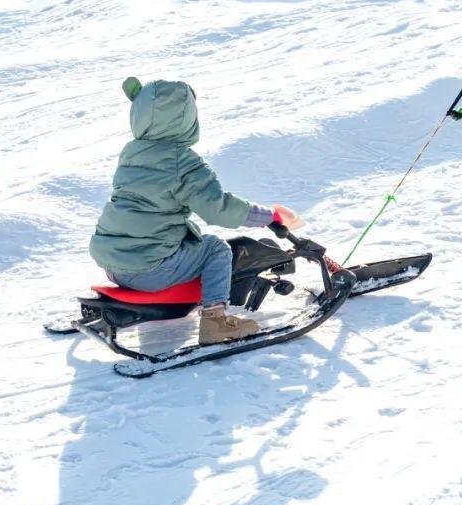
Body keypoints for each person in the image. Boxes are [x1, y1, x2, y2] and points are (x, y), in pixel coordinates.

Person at [89, 77, 303, 345]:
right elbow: (218, 209)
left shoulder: (132, 153)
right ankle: (215, 322)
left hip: (111, 262)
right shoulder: (182, 161)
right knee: (215, 249)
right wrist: (269, 215)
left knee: (185, 242)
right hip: (148, 269)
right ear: (185, 117)